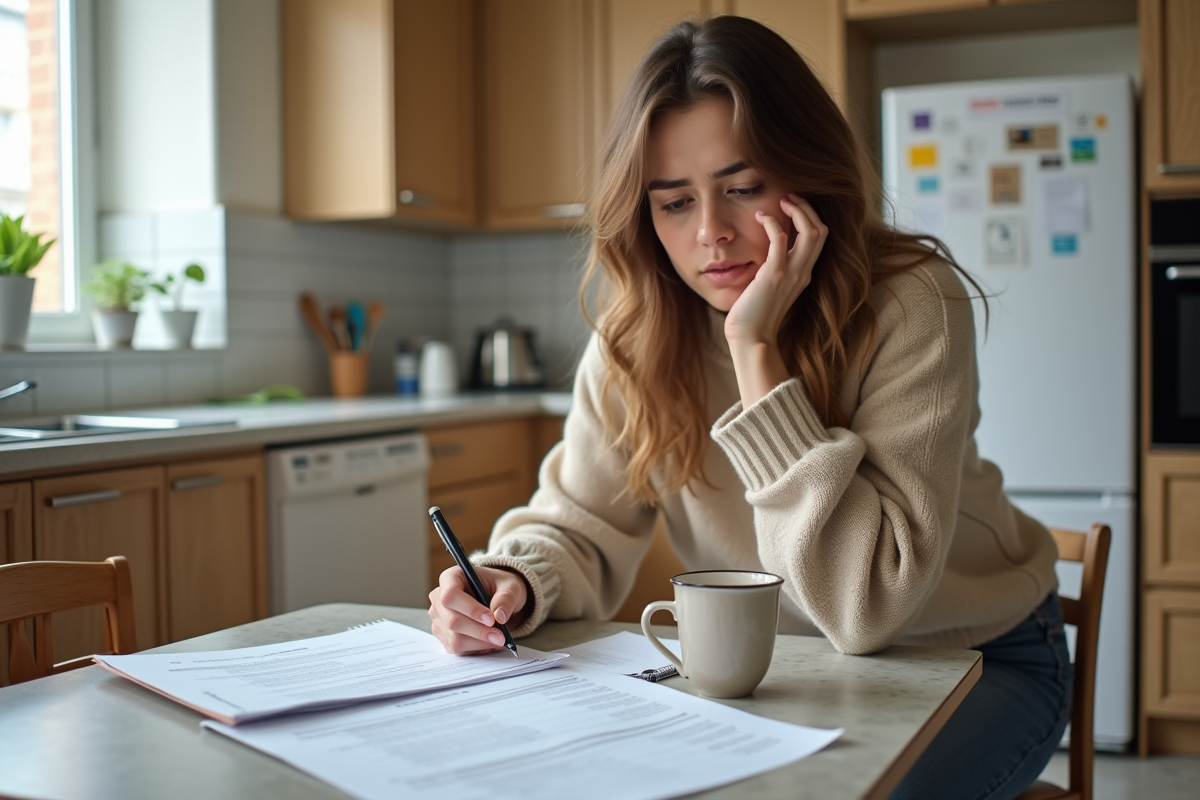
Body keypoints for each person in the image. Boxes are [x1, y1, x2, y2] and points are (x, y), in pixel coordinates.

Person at [428, 15, 1069, 800]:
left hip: (974, 655)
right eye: (673, 204)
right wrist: (511, 580)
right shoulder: (638, 340)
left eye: (744, 188)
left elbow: (865, 608)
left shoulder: (911, 303)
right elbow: (577, 527)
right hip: (778, 672)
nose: (712, 235)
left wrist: (755, 351)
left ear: (809, 177)